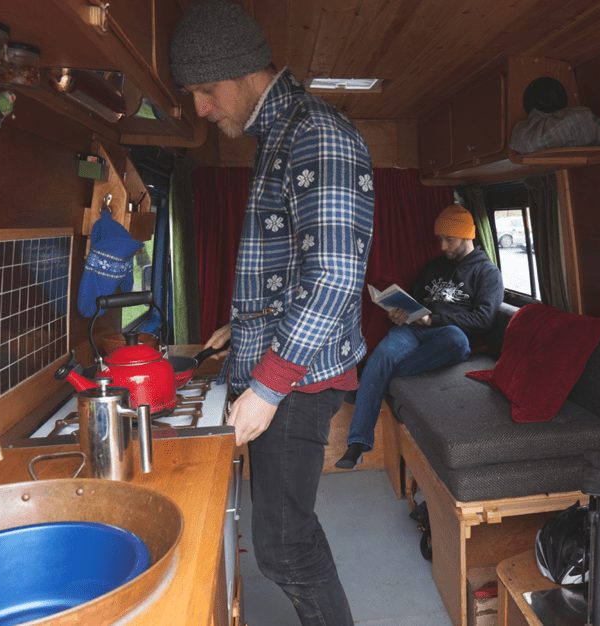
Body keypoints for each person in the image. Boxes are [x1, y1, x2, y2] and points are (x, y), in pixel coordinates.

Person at [171, 3, 374, 624]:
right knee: (290, 537)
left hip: (298, 381)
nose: (201, 108)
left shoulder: (317, 133)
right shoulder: (279, 136)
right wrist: (247, 323)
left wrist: (266, 386)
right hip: (284, 366)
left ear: (239, 73)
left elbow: (336, 276)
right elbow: (295, 261)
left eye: (205, 91)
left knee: (285, 549)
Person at [336, 204, 504, 469]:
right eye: (441, 239)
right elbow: (413, 301)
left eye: (449, 239)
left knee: (456, 340)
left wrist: (433, 319)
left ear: (467, 236)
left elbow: (484, 319)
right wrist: (401, 313)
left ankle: (373, 379)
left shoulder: (487, 273)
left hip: (447, 335)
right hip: (414, 330)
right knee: (383, 353)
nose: (442, 246)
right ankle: (357, 443)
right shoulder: (434, 267)